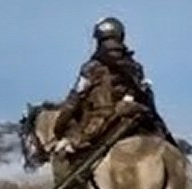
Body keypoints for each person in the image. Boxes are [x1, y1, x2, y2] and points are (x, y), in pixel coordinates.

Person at [48, 16, 177, 161]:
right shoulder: (136, 67)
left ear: (98, 39)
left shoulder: (91, 68)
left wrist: (60, 129)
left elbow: (73, 100)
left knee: (64, 161)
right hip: (139, 119)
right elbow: (148, 100)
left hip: (102, 124)